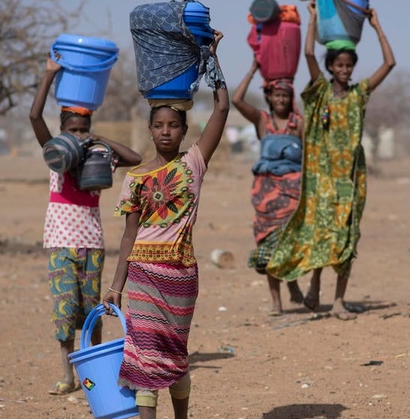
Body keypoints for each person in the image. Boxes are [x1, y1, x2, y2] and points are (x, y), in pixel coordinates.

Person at [103, 30, 228, 419]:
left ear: (184, 130)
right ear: (151, 129)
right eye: (159, 125)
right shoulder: (135, 178)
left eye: (173, 125)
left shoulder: (193, 164)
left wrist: (211, 59)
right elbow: (129, 237)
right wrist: (115, 286)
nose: (166, 131)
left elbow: (222, 109)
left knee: (174, 355)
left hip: (180, 276)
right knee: (143, 359)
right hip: (142, 275)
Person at [266, 1, 395, 320]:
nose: (344, 69)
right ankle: (314, 287)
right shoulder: (320, 91)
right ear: (331, 66)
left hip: (350, 178)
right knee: (320, 232)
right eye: (339, 65)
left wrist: (377, 27)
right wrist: (311, 19)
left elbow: (390, 63)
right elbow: (309, 55)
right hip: (320, 178)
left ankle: (338, 300)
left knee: (345, 236)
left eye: (348, 65)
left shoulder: (359, 94)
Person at [29, 55, 142, 395]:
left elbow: (135, 159)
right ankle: (68, 375)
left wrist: (98, 140)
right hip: (60, 243)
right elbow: (34, 116)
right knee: (65, 310)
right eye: (71, 131)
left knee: (92, 310)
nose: (77, 137)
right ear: (61, 134)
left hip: (92, 242)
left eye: (82, 130)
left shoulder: (97, 157)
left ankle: (94, 370)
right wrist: (49, 75)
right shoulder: (56, 156)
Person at [232, 58, 305, 315]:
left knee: (290, 243)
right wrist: (252, 69)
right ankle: (276, 301)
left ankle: (294, 283)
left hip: (293, 195)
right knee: (267, 247)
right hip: (265, 196)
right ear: (270, 96)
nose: (281, 100)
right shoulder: (262, 121)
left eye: (285, 95)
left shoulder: (299, 124)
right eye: (277, 95)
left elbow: (310, 157)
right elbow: (237, 100)